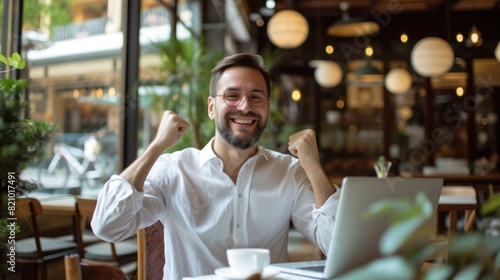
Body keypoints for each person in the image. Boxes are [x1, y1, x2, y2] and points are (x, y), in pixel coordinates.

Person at [91, 53, 341, 279]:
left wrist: (313, 166)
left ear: (267, 107)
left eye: (256, 97)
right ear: (212, 107)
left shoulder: (289, 171)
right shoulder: (174, 169)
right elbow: (108, 226)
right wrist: (156, 147)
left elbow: (337, 246)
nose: (245, 106)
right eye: (232, 95)